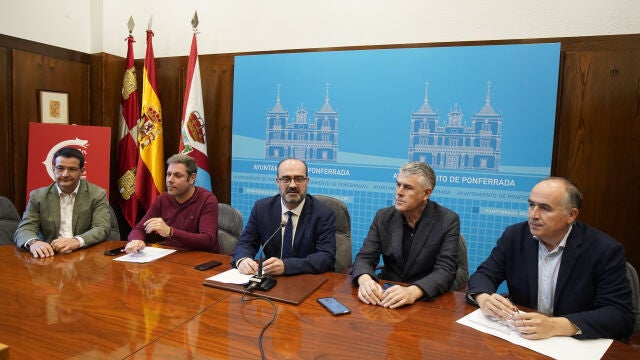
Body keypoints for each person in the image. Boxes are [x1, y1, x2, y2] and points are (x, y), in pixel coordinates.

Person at [467, 177, 634, 340]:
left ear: (571, 215)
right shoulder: (515, 236)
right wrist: (484, 298)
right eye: (531, 205)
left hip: (573, 343)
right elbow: (484, 274)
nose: (533, 215)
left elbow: (619, 315)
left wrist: (555, 326)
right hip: (523, 339)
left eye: (545, 208)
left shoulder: (604, 250)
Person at [352, 161, 462, 309]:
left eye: (407, 187)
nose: (399, 192)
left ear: (426, 193)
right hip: (385, 296)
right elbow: (365, 257)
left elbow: (445, 271)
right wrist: (365, 280)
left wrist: (413, 292)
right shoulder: (384, 217)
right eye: (398, 185)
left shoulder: (447, 220)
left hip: (424, 301)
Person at [232, 158, 336, 276]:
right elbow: (246, 243)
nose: (292, 185)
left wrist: (286, 266)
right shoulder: (262, 208)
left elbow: (326, 257)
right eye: (286, 179)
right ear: (277, 181)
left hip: (306, 280)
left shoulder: (323, 214)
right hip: (271, 279)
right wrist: (242, 260)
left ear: (307, 181)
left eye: (299, 179)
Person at [14, 147, 110, 258]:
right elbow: (25, 228)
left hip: (84, 254)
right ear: (54, 169)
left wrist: (77, 241)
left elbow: (101, 228)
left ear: (82, 171)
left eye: (72, 169)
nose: (65, 174)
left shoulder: (97, 194)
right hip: (50, 256)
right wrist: (34, 243)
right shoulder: (38, 196)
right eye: (60, 168)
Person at [126, 153, 219, 253]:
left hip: (203, 259)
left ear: (192, 178)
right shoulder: (163, 199)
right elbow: (139, 228)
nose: (170, 180)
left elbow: (207, 240)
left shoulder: (207, 200)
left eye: (177, 176)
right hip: (173, 256)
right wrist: (136, 241)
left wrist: (170, 232)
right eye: (169, 174)